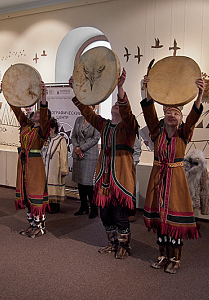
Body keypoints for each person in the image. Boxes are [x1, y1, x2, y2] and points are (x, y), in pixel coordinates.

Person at [70, 68, 139, 259]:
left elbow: (127, 112)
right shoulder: (105, 125)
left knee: (119, 214)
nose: (117, 105)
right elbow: (87, 112)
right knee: (105, 214)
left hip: (121, 179)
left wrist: (120, 88)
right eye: (115, 104)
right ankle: (112, 242)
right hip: (104, 178)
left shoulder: (129, 127)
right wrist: (76, 91)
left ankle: (124, 246)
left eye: (120, 104)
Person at [141, 75, 205, 273]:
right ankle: (162, 255)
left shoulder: (183, 134)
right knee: (160, 222)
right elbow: (149, 113)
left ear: (180, 119)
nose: (172, 116)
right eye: (169, 112)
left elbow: (194, 117)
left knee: (174, 222)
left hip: (175, 183)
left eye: (176, 113)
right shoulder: (156, 132)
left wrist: (200, 95)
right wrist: (147, 89)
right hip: (158, 180)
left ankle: (175, 259)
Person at [8, 82, 49, 238]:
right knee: (25, 193)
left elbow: (44, 118)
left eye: (40, 113)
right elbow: (16, 110)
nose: (37, 113)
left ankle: (40, 226)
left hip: (35, 164)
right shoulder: (26, 126)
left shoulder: (42, 131)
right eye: (36, 112)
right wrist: (9, 93)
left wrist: (43, 97)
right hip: (24, 163)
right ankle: (31, 225)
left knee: (35, 192)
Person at [71, 105, 100, 219]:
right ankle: (83, 207)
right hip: (78, 153)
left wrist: (82, 148)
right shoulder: (79, 119)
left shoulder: (96, 119)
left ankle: (93, 208)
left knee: (88, 184)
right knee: (80, 182)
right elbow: (73, 136)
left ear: (93, 108)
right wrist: (77, 148)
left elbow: (96, 138)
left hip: (89, 154)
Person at [41, 117, 69, 213]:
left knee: (54, 185)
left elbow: (64, 156)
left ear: (53, 128)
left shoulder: (60, 140)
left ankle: (54, 205)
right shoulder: (44, 140)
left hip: (55, 168)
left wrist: (64, 169)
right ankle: (46, 204)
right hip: (44, 168)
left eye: (48, 128)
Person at [129, 135, 142, 222]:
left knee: (130, 189)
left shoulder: (131, 133)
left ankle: (130, 212)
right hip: (116, 164)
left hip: (129, 165)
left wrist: (132, 164)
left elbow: (137, 150)